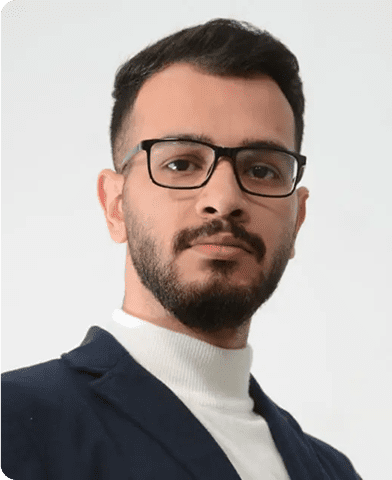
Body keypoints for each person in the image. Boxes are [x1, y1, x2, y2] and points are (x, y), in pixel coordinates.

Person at [1, 18, 362, 480]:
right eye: (180, 163)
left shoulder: (334, 471)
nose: (224, 199)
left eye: (262, 170)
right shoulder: (14, 423)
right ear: (115, 206)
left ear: (297, 219)